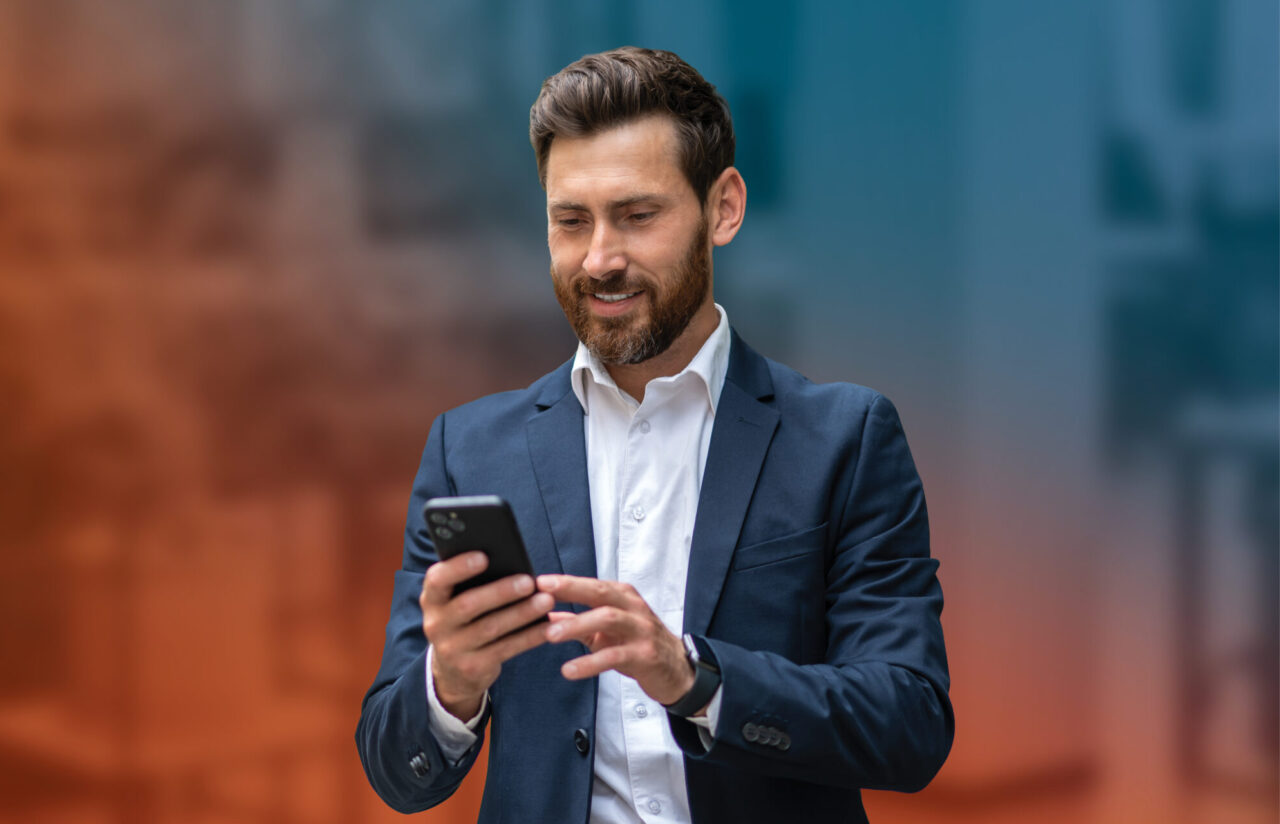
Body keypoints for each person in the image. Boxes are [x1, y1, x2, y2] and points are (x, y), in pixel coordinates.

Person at [356, 46, 952, 824]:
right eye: (571, 221)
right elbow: (397, 771)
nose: (600, 258)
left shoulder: (845, 438)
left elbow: (909, 724)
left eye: (637, 216)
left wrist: (697, 680)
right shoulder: (467, 450)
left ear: (724, 208)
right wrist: (451, 685)